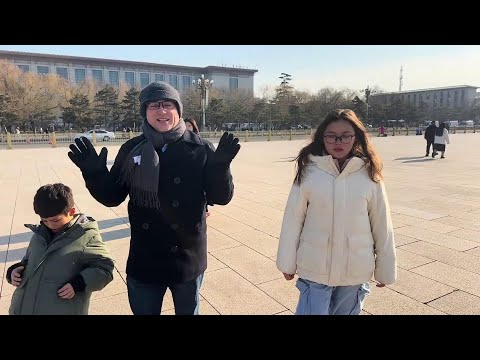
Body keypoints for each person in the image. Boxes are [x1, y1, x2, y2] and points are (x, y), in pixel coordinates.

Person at [68, 81, 240, 315]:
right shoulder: (132, 148)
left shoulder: (200, 148)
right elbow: (112, 196)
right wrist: (94, 173)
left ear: (178, 110)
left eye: (167, 104)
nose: (161, 111)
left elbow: (221, 197)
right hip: (146, 259)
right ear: (144, 112)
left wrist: (220, 168)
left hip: (187, 258)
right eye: (153, 106)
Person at [276, 109, 396, 315]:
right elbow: (293, 219)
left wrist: (385, 269)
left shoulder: (369, 174)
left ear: (356, 137)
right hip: (315, 267)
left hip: (355, 269)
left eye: (345, 135)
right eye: (331, 136)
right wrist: (287, 261)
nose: (338, 141)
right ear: (322, 137)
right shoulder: (310, 171)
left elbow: (382, 223)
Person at [7, 183, 114, 315]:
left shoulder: (86, 236)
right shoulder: (39, 234)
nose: (50, 225)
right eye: (44, 220)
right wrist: (15, 271)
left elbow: (105, 268)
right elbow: (28, 261)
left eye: (55, 220)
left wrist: (79, 283)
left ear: (71, 212)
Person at [184, 117, 215, 218]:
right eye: (185, 126)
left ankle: (204, 209)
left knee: (202, 190)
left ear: (194, 127)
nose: (187, 128)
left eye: (189, 126)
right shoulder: (178, 141)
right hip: (188, 171)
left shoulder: (203, 143)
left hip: (201, 170)